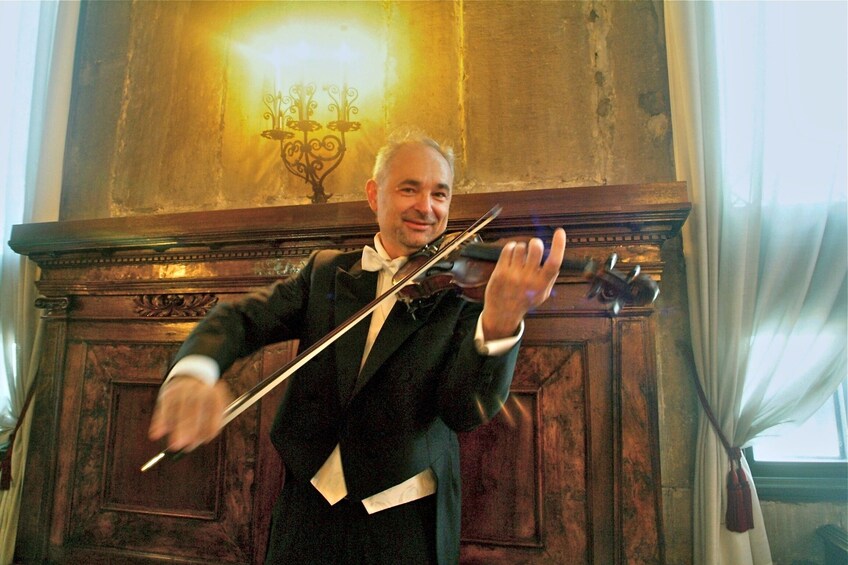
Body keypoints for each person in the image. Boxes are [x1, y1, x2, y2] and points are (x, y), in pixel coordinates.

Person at [148, 130, 566, 564]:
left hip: (404, 519)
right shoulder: (327, 272)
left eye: (440, 194)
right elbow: (241, 318)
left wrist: (501, 323)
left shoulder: (464, 291)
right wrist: (194, 372)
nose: (427, 207)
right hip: (306, 509)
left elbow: (464, 411)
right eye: (410, 189)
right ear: (374, 194)